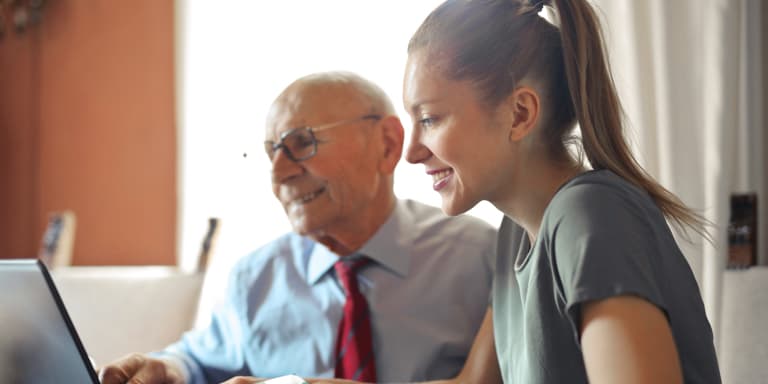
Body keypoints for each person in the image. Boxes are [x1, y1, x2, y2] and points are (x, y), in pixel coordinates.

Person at [98, 71, 498, 384]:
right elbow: (197, 362)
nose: (279, 173)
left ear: (388, 144)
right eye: (272, 152)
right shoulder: (255, 278)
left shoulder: (480, 257)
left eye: (301, 143)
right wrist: (166, 369)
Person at [402, 0, 722, 383]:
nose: (412, 152)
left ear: (519, 113)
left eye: (429, 119)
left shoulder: (590, 215)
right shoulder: (515, 236)